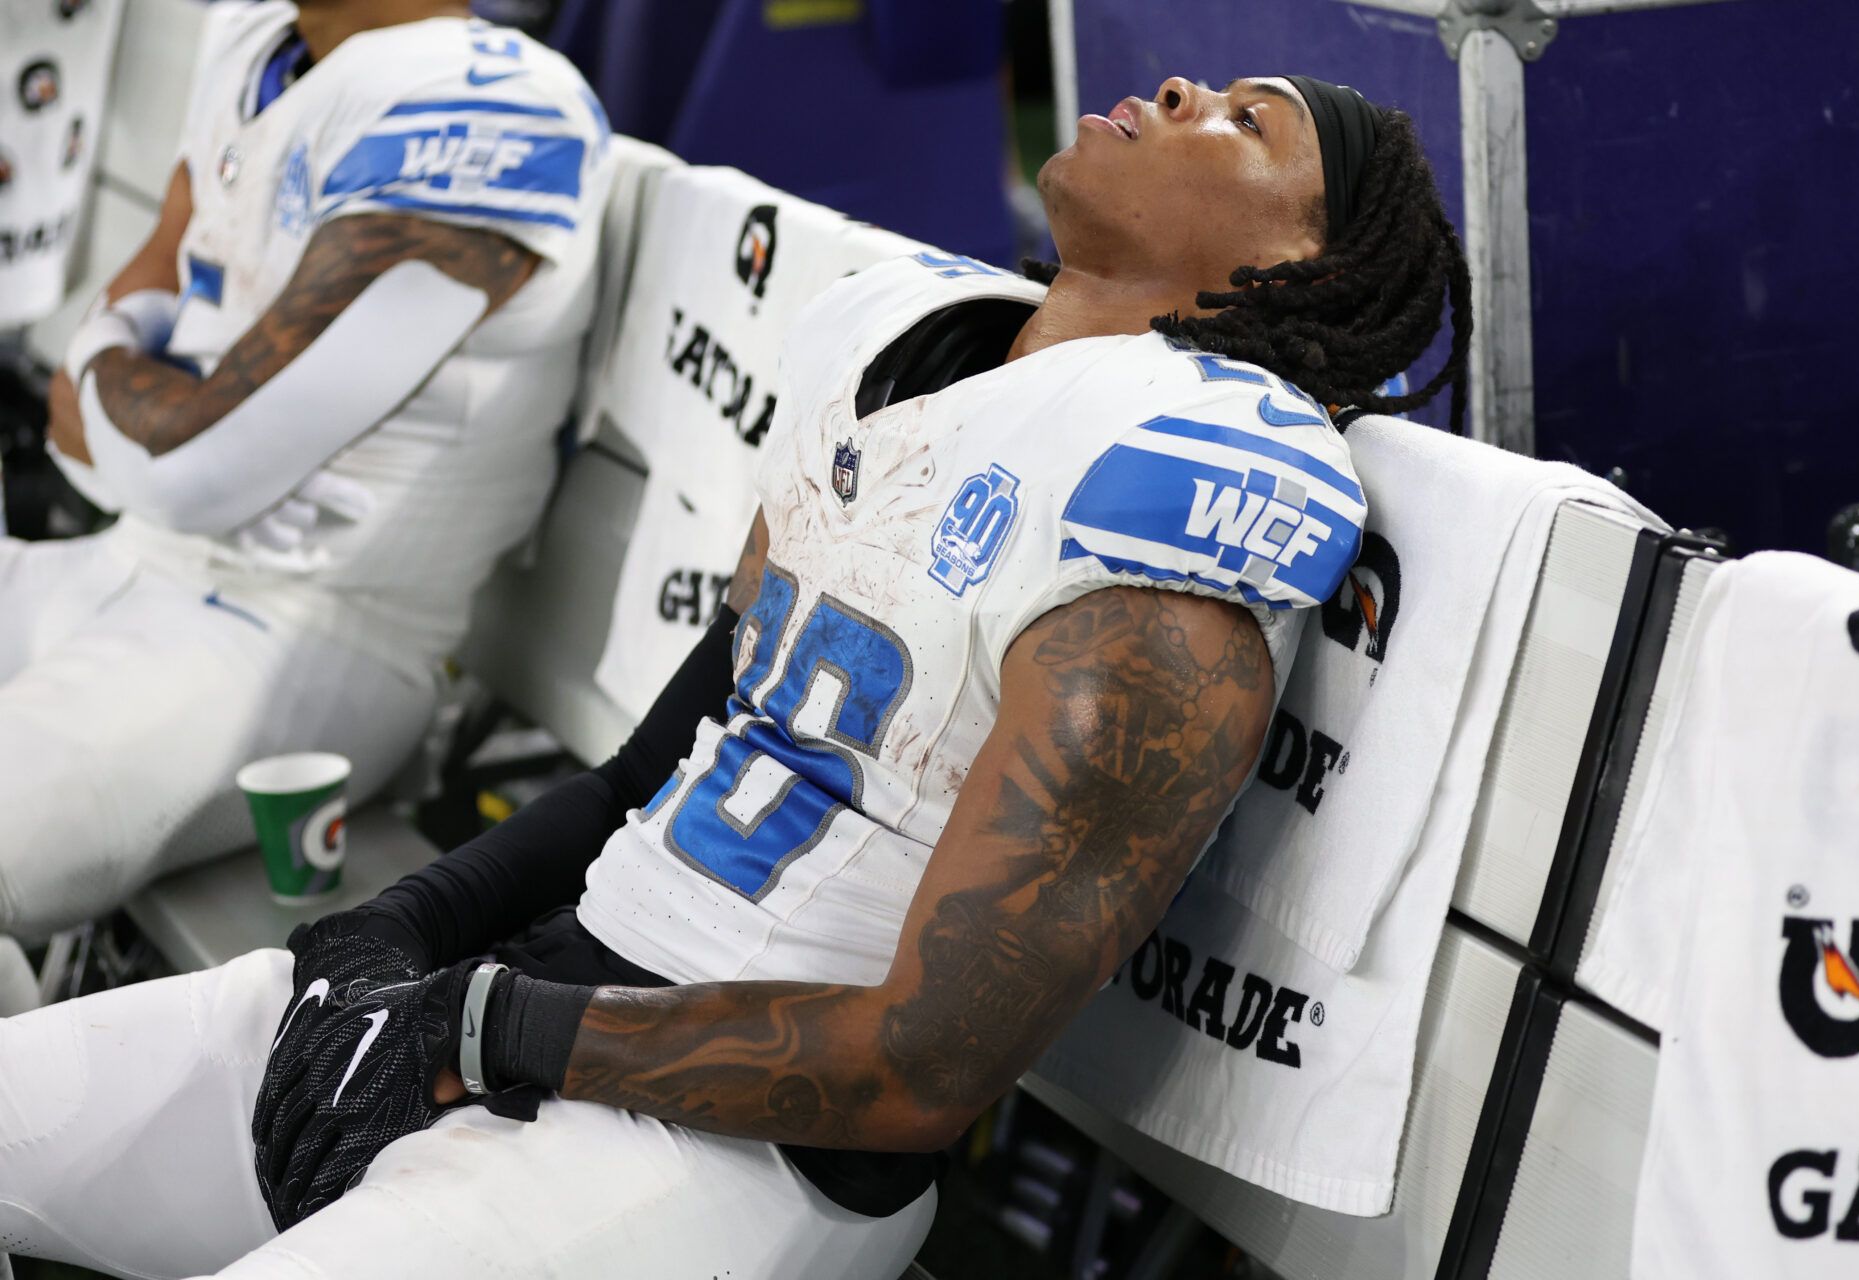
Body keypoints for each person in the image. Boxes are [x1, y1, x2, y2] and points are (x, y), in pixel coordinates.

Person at [0, 74, 1470, 1278]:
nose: (1176, 87)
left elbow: (919, 1075)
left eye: (1246, 119)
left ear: (1292, 269)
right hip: (546, 988)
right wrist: (391, 941)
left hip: (734, 1152)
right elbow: (664, 757)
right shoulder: (912, 355)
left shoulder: (1171, 511)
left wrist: (479, 1033)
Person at [0, 0, 610, 977]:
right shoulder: (254, 32)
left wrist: (112, 365)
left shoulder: (495, 103)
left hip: (304, 637)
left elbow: (192, 467)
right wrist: (134, 406)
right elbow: (104, 419)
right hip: (124, 558)